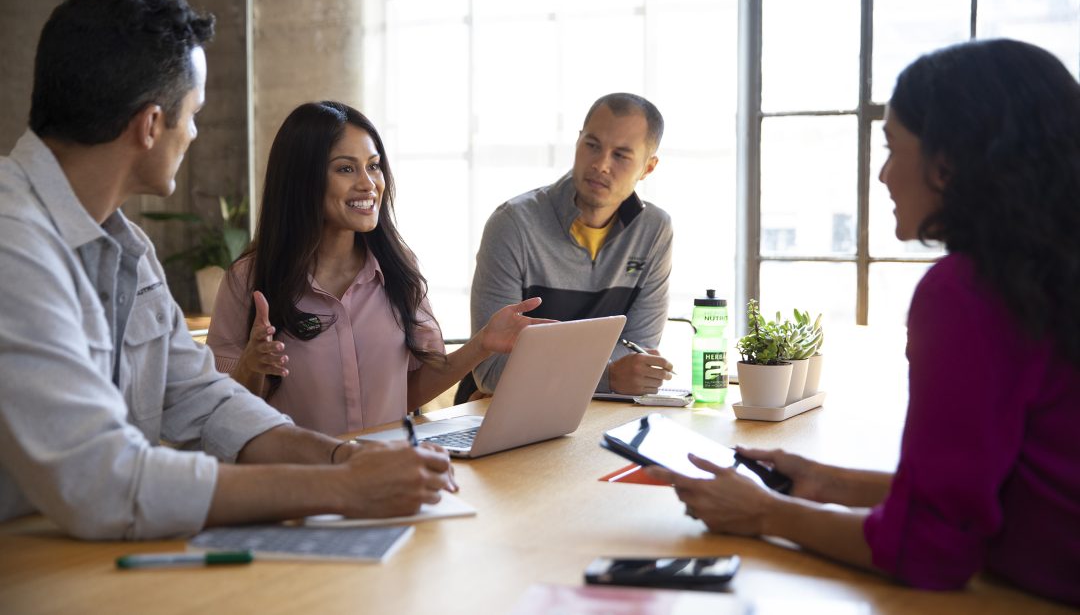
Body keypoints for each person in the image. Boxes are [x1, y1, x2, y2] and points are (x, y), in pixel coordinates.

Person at [0, 0, 457, 541]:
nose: (193, 133)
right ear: (149, 126)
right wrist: (345, 489)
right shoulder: (13, 244)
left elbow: (207, 402)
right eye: (192, 114)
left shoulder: (128, 251)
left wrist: (344, 460)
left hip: (87, 561)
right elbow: (102, 479)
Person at [648, 39, 1080, 606]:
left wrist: (764, 513)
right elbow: (1011, 494)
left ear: (947, 164)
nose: (881, 175)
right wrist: (830, 484)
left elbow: (931, 550)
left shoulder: (968, 292)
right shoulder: (1050, 272)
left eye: (892, 147)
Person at [206, 101, 548, 435]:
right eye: (345, 168)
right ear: (302, 179)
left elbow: (408, 391)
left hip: (385, 476)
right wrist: (251, 370)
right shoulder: (247, 280)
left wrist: (482, 344)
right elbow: (220, 416)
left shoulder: (398, 268)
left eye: (373, 165)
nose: (369, 184)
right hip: (299, 482)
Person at [462, 92, 674, 402]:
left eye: (621, 155)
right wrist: (607, 377)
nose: (601, 164)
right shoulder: (513, 224)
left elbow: (637, 354)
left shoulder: (654, 231)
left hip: (598, 409)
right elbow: (490, 368)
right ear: (577, 143)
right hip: (497, 407)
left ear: (648, 168)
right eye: (592, 145)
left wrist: (610, 376)